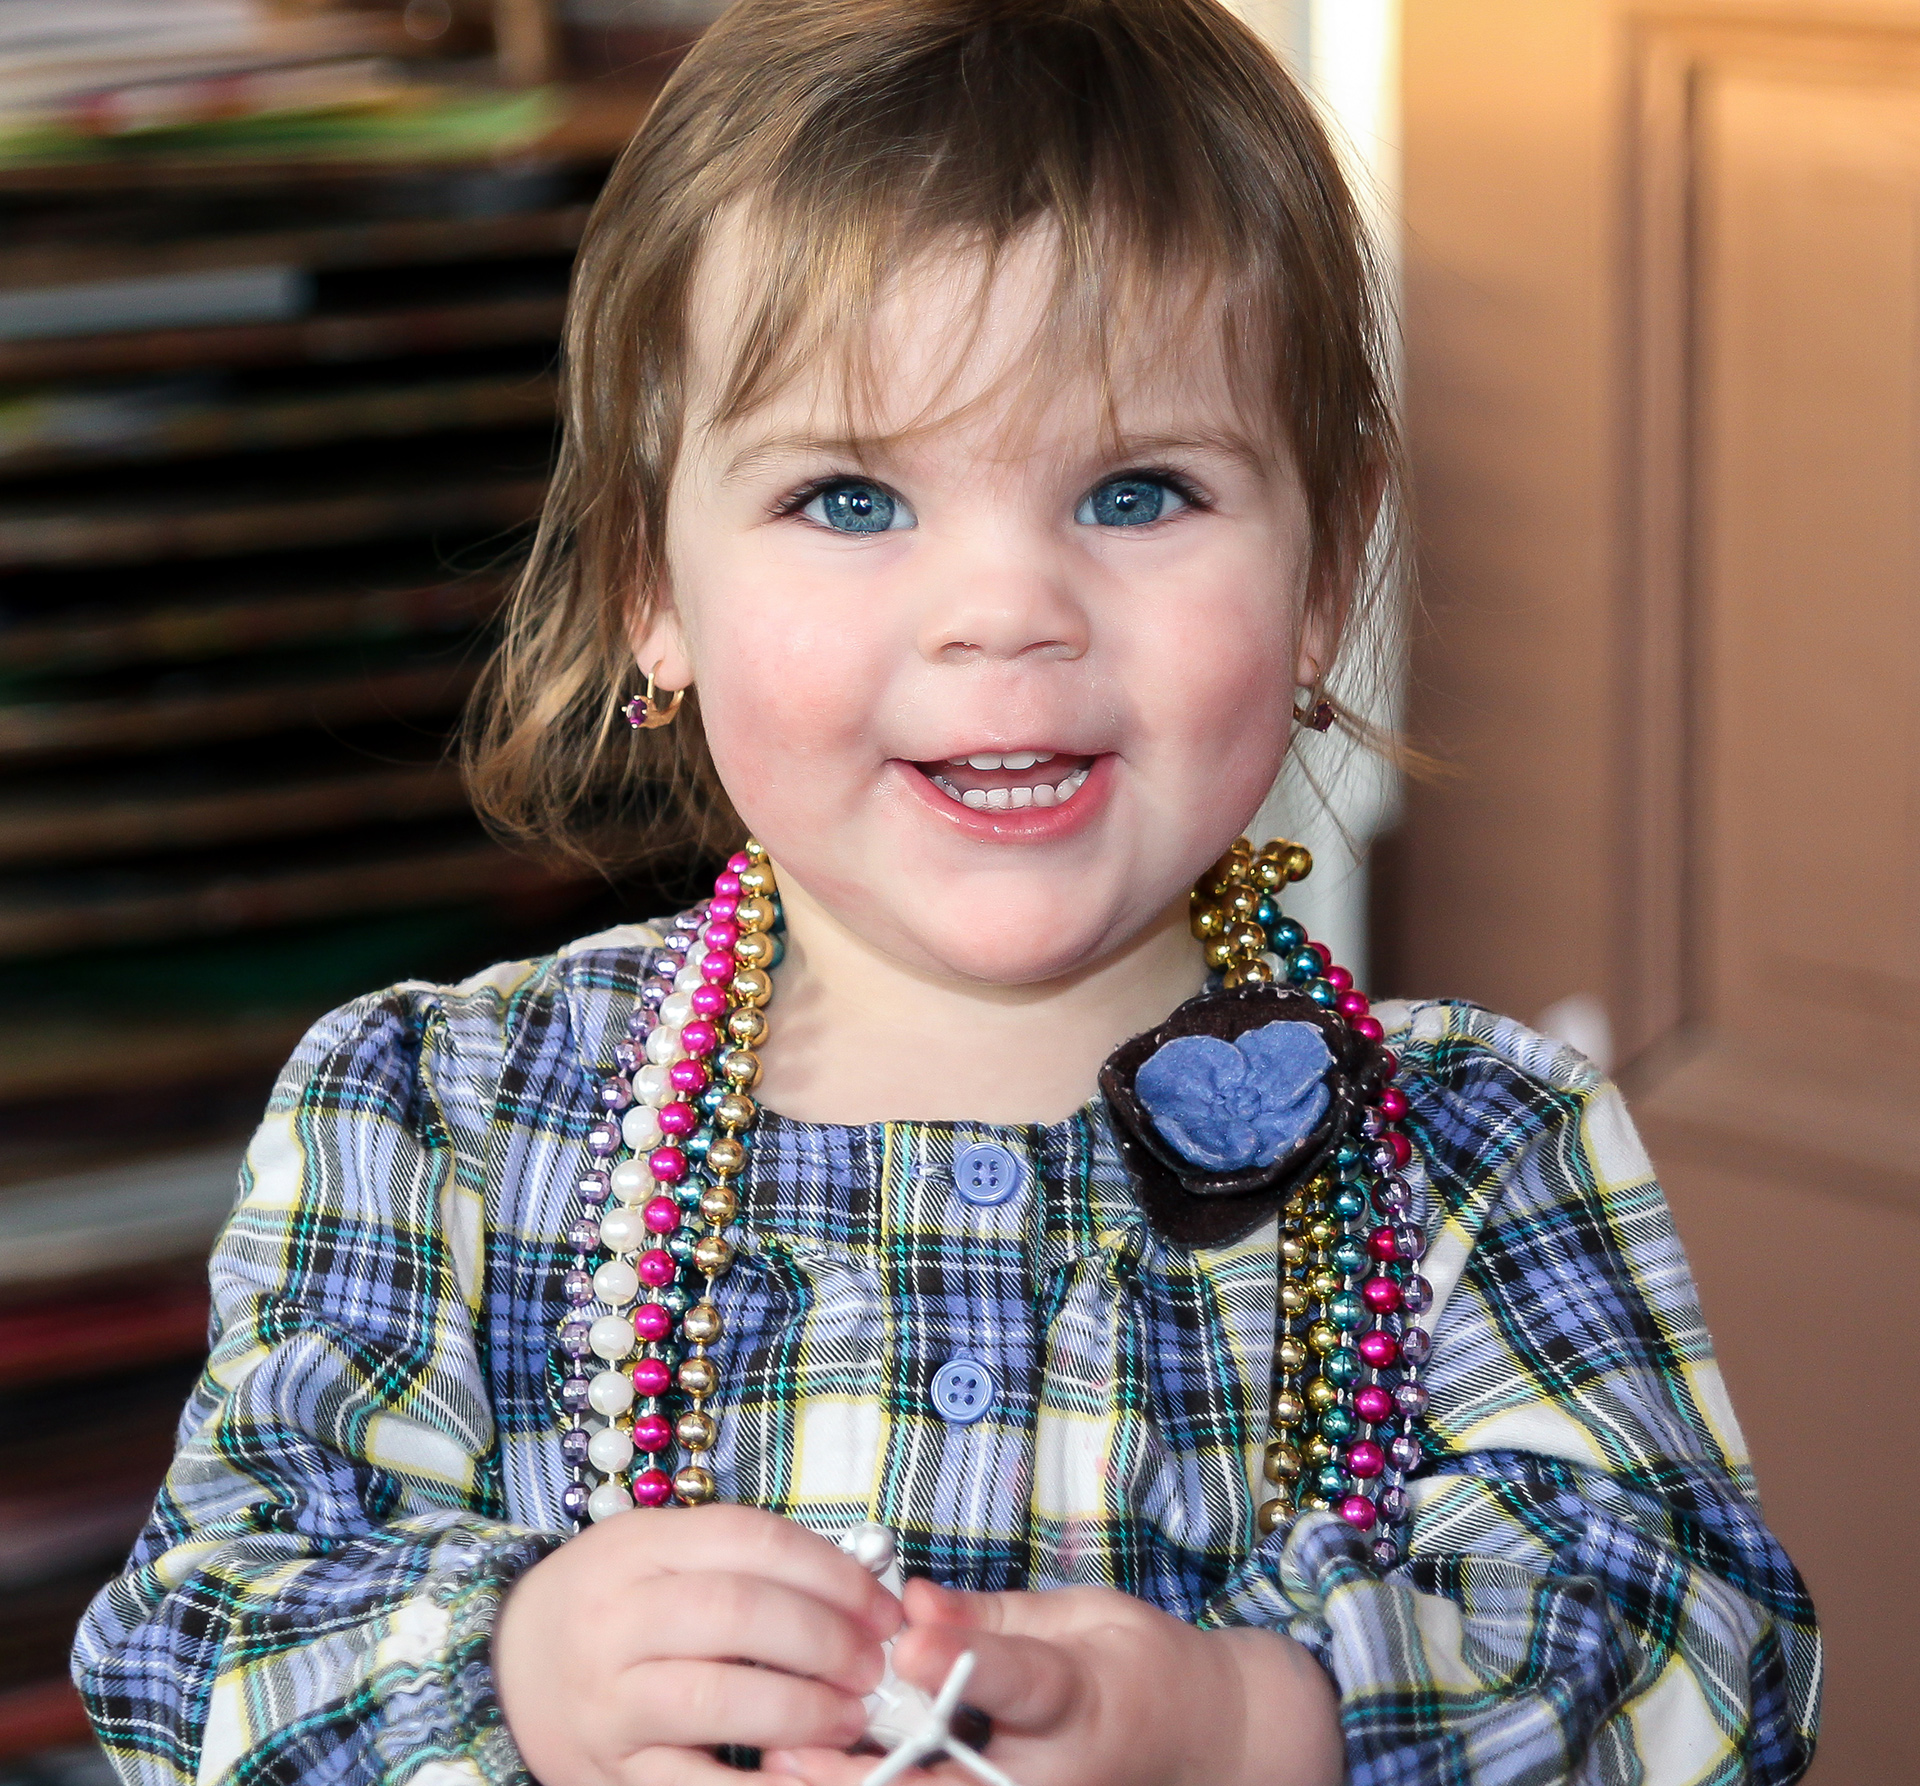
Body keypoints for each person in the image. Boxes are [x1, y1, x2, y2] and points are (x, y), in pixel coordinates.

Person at [73, 3, 1820, 1783]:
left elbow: (1707, 1663)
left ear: (1326, 573)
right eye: (849, 497)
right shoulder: (430, 1119)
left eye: (1139, 489)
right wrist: (521, 1670)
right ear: (645, 586)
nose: (1004, 608)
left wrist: (1252, 1725)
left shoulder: (1479, 1144)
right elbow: (193, 1644)